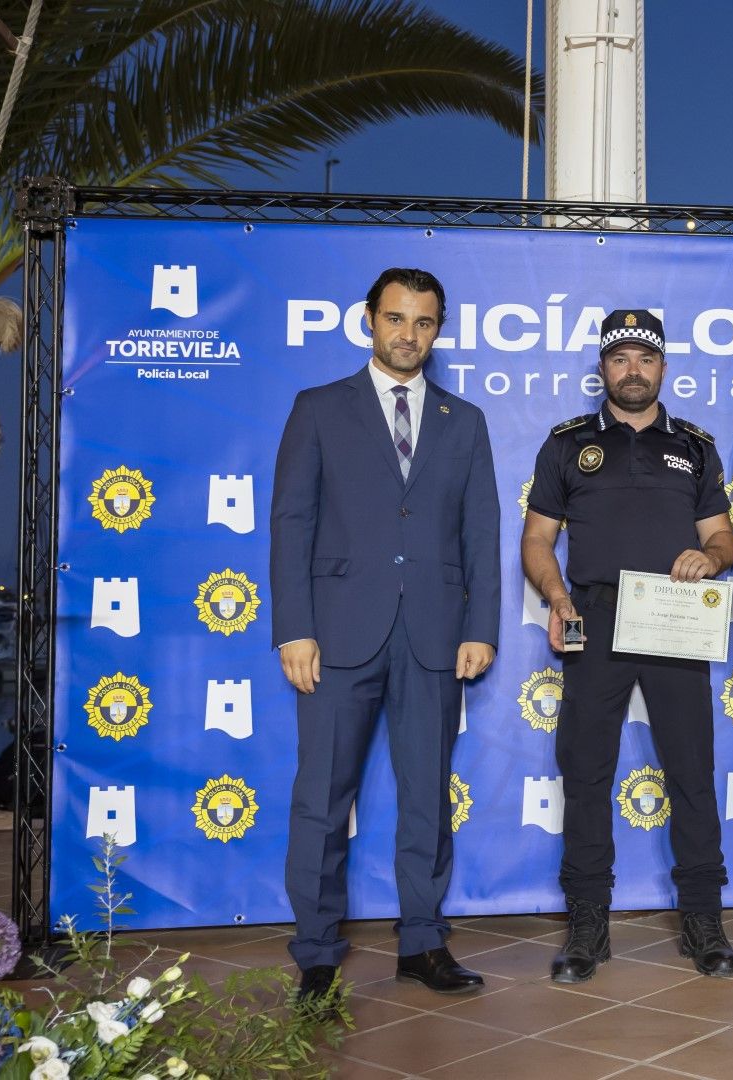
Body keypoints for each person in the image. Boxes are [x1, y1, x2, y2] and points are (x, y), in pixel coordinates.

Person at [270, 267, 500, 1007]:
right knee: (321, 797)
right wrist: (294, 628)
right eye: (396, 319)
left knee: (428, 795)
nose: (409, 335)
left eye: (424, 322)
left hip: (433, 635)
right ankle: (315, 953)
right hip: (336, 635)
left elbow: (481, 532)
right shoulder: (318, 409)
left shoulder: (463, 421)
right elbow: (291, 525)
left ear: (438, 330)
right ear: (370, 321)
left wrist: (481, 627)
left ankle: (424, 943)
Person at [521, 308, 733, 982]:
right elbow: (536, 540)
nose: (633, 370)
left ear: (663, 368)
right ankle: (588, 923)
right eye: (620, 359)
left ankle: (703, 920)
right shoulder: (566, 444)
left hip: (675, 616)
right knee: (585, 770)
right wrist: (558, 599)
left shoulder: (697, 446)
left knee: (692, 772)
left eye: (645, 358)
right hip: (595, 615)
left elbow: (723, 538)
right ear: (603, 370)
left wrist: (710, 558)